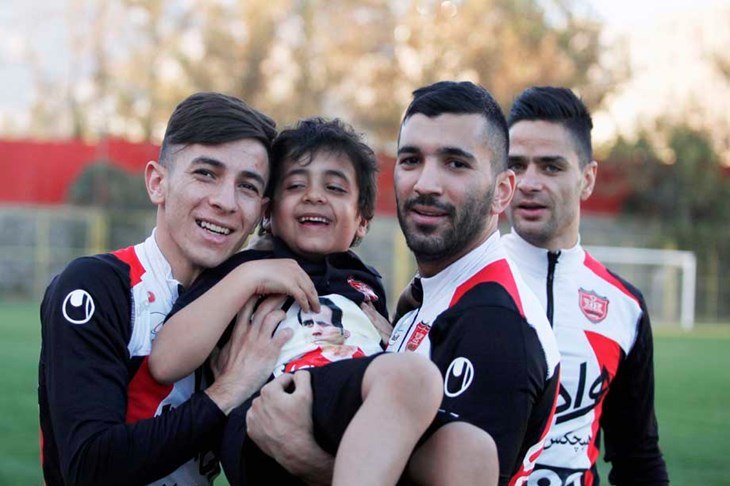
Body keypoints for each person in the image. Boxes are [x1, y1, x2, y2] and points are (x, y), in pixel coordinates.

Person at [242, 81, 562, 486]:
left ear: (502, 192)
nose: (425, 183)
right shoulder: (429, 296)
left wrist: (304, 456)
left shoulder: (495, 325)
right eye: (411, 160)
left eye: (455, 163)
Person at [149, 118, 484, 486]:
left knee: (471, 448)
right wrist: (246, 280)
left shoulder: (365, 281)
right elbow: (165, 361)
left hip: (352, 410)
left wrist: (397, 331)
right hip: (270, 411)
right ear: (268, 213)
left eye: (335, 187)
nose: (314, 196)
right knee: (413, 376)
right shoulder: (244, 269)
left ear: (362, 221)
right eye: (295, 185)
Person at [38, 92, 322, 486]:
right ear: (158, 183)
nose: (225, 201)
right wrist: (229, 389)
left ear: (262, 211)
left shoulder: (257, 311)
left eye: (247, 186)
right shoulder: (94, 285)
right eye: (206, 173)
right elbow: (89, 467)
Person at [504, 86, 669, 485]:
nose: (528, 182)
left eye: (551, 167)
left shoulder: (624, 307)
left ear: (587, 179)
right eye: (517, 165)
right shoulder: (459, 280)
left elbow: (637, 456)